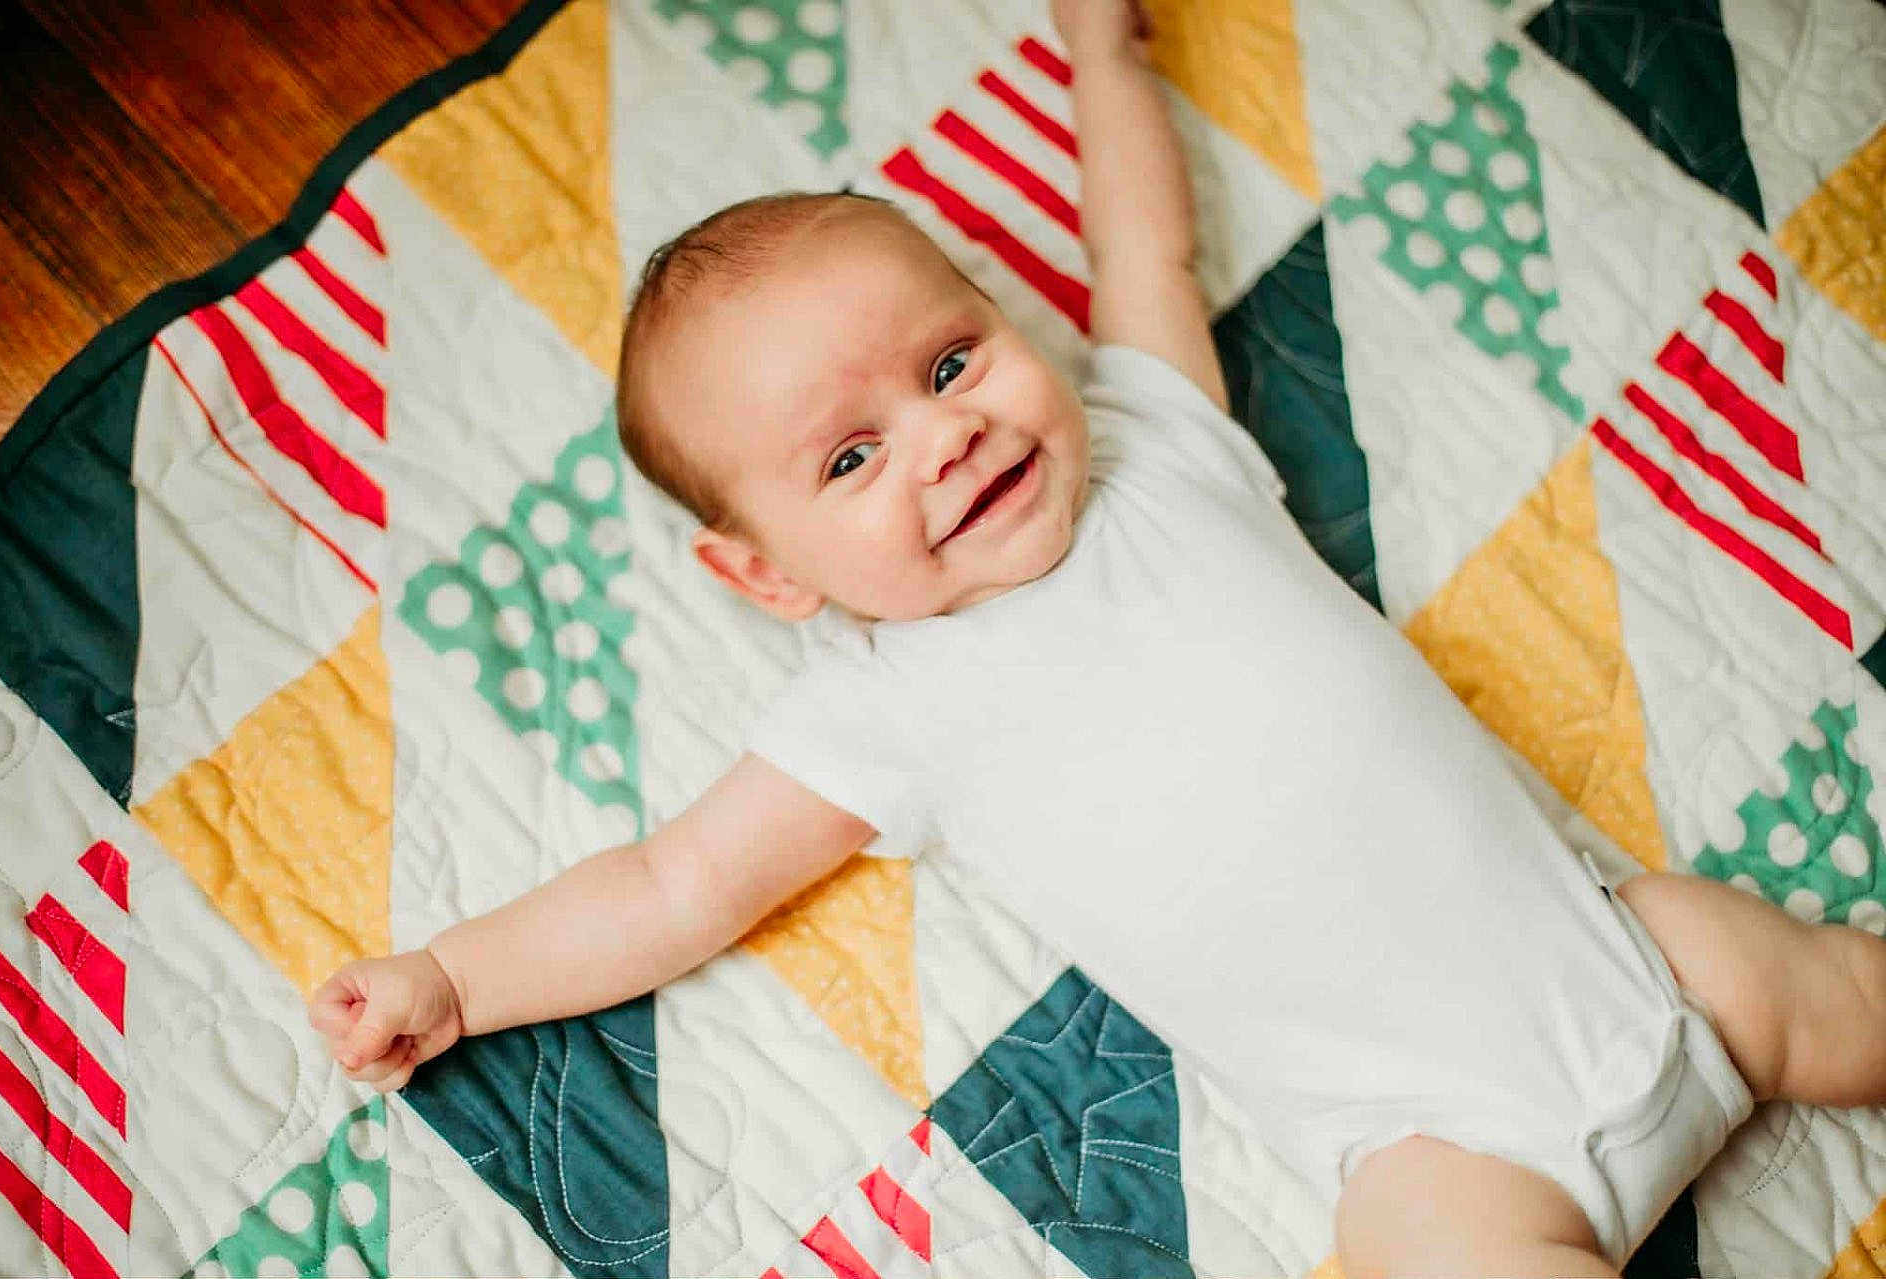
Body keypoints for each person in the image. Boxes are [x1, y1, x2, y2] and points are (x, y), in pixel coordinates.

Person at [309, 2, 1886, 1273]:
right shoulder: (878, 710)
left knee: (1831, 986)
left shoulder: (1154, 434)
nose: (940, 439)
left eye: (947, 363)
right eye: (848, 460)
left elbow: (1148, 251)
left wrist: (1099, 51)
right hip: (1448, 1158)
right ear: (769, 574)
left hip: (1635, 955)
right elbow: (668, 887)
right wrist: (450, 979)